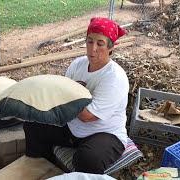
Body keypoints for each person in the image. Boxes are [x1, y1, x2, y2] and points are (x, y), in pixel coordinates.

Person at [23, 17, 129, 174]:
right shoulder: (77, 64)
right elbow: (60, 97)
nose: (92, 49)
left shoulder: (114, 78)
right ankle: (44, 170)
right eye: (89, 41)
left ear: (110, 48)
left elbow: (87, 116)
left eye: (100, 44)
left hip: (104, 133)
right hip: (72, 127)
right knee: (33, 124)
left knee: (87, 159)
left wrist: (64, 95)